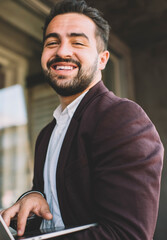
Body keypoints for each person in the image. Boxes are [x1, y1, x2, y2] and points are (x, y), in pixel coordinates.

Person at [1, 0, 164, 239]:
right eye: (52, 42)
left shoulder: (122, 118)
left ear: (102, 59)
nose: (62, 51)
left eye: (77, 42)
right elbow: (58, 208)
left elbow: (128, 234)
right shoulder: (47, 134)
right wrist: (32, 197)